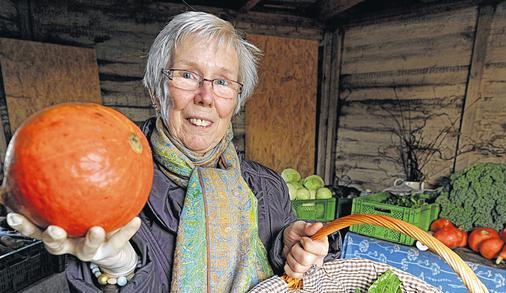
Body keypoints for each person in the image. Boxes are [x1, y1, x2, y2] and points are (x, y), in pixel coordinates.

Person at [6, 11, 341, 292]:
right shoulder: (111, 188)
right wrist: (119, 266)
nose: (206, 96)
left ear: (236, 101)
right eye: (187, 75)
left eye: (223, 82)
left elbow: (287, 265)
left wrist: (289, 245)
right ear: (156, 90)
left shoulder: (267, 185)